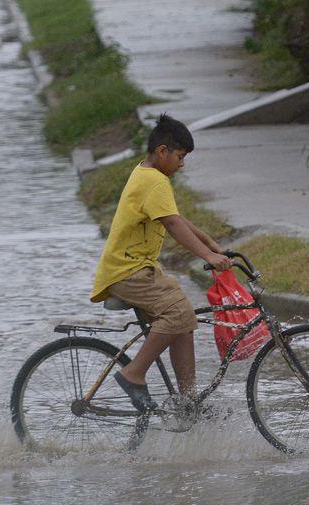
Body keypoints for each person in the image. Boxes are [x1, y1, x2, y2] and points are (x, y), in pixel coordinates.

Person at [90, 114, 231, 411]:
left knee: (183, 320)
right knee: (179, 312)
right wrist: (208, 256)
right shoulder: (155, 181)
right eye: (180, 157)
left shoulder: (146, 173)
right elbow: (172, 224)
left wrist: (209, 242)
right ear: (163, 151)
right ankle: (133, 374)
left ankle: (188, 403)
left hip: (135, 268)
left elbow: (174, 216)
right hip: (128, 271)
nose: (182, 164)